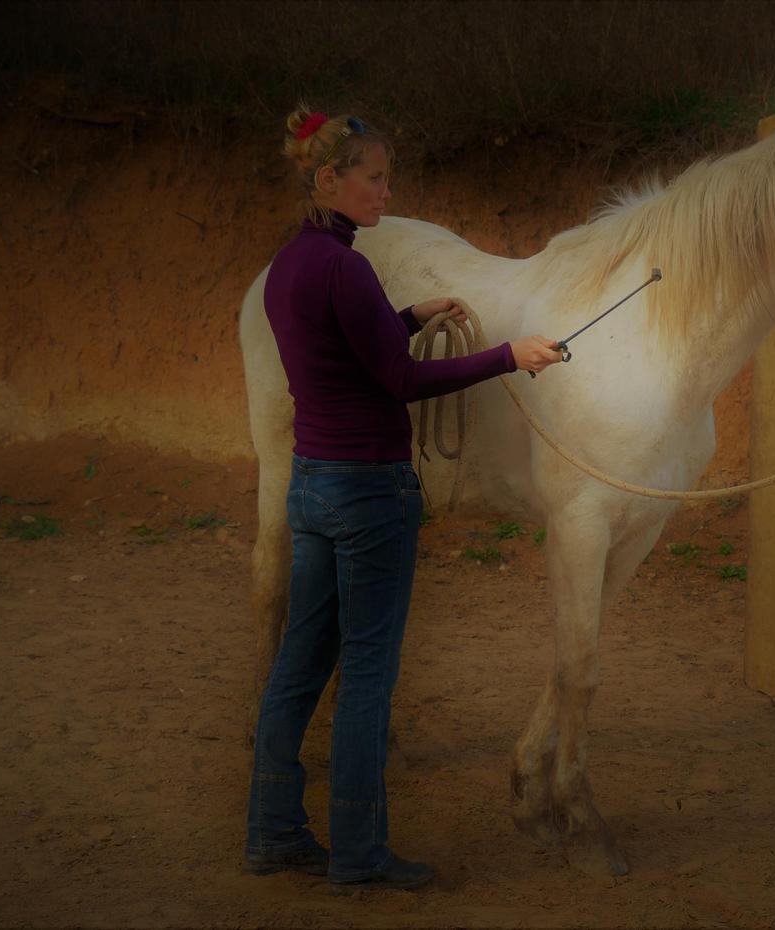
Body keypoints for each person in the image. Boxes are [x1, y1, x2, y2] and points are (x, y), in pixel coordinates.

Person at [242, 104, 563, 893]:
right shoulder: (346, 267)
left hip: (314, 484)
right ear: (330, 179)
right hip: (368, 492)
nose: (387, 193)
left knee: (298, 669)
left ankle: (273, 830)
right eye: (375, 179)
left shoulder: (292, 265)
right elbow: (401, 379)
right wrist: (508, 357)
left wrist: (409, 315)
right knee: (368, 678)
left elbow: (347, 344)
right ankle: (358, 852)